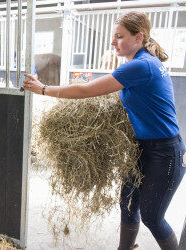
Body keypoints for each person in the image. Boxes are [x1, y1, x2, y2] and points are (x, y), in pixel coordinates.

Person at [23, 11, 185, 250]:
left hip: (166, 152)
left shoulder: (141, 66)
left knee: (152, 216)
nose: (112, 43)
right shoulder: (140, 62)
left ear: (139, 37)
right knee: (128, 205)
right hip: (143, 147)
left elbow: (86, 91)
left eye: (119, 37)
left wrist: (43, 89)